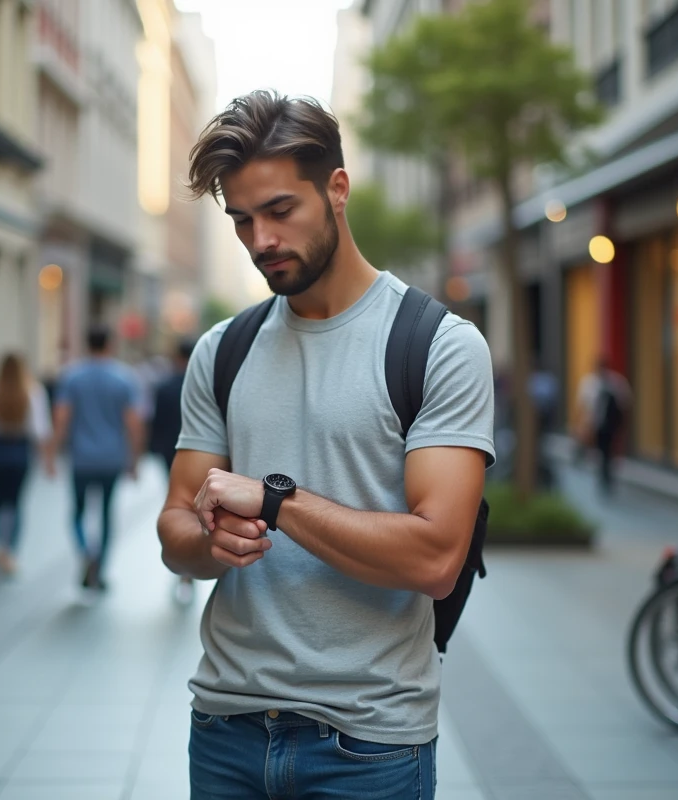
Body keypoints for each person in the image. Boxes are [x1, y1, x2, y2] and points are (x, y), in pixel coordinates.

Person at [156, 90, 495, 799]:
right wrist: (207, 542)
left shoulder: (438, 346)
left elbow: (437, 559)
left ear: (337, 188)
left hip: (368, 744)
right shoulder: (223, 349)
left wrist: (277, 504)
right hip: (226, 729)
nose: (260, 241)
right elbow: (174, 529)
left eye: (281, 211)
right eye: (242, 220)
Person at [52, 325, 145, 591]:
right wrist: (134, 460)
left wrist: (50, 454)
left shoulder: (72, 377)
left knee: (78, 512)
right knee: (106, 513)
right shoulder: (124, 378)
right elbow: (134, 424)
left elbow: (61, 418)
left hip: (81, 458)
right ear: (110, 344)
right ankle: (100, 568)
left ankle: (86, 551)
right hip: (111, 458)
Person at [0, 353, 55, 576]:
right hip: (20, 451)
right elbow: (40, 431)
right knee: (16, 504)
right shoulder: (33, 392)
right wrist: (47, 460)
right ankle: (11, 552)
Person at [149, 337, 199, 607]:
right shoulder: (203, 383)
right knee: (195, 503)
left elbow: (155, 422)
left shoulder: (165, 386)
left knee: (177, 500)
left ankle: (185, 570)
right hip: (200, 456)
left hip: (169, 453)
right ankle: (187, 574)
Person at [576, 357, 632, 494]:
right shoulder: (590, 383)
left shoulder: (616, 382)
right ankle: (604, 475)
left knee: (606, 452)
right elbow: (582, 406)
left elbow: (625, 404)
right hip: (595, 424)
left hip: (610, 425)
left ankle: (606, 476)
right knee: (602, 452)